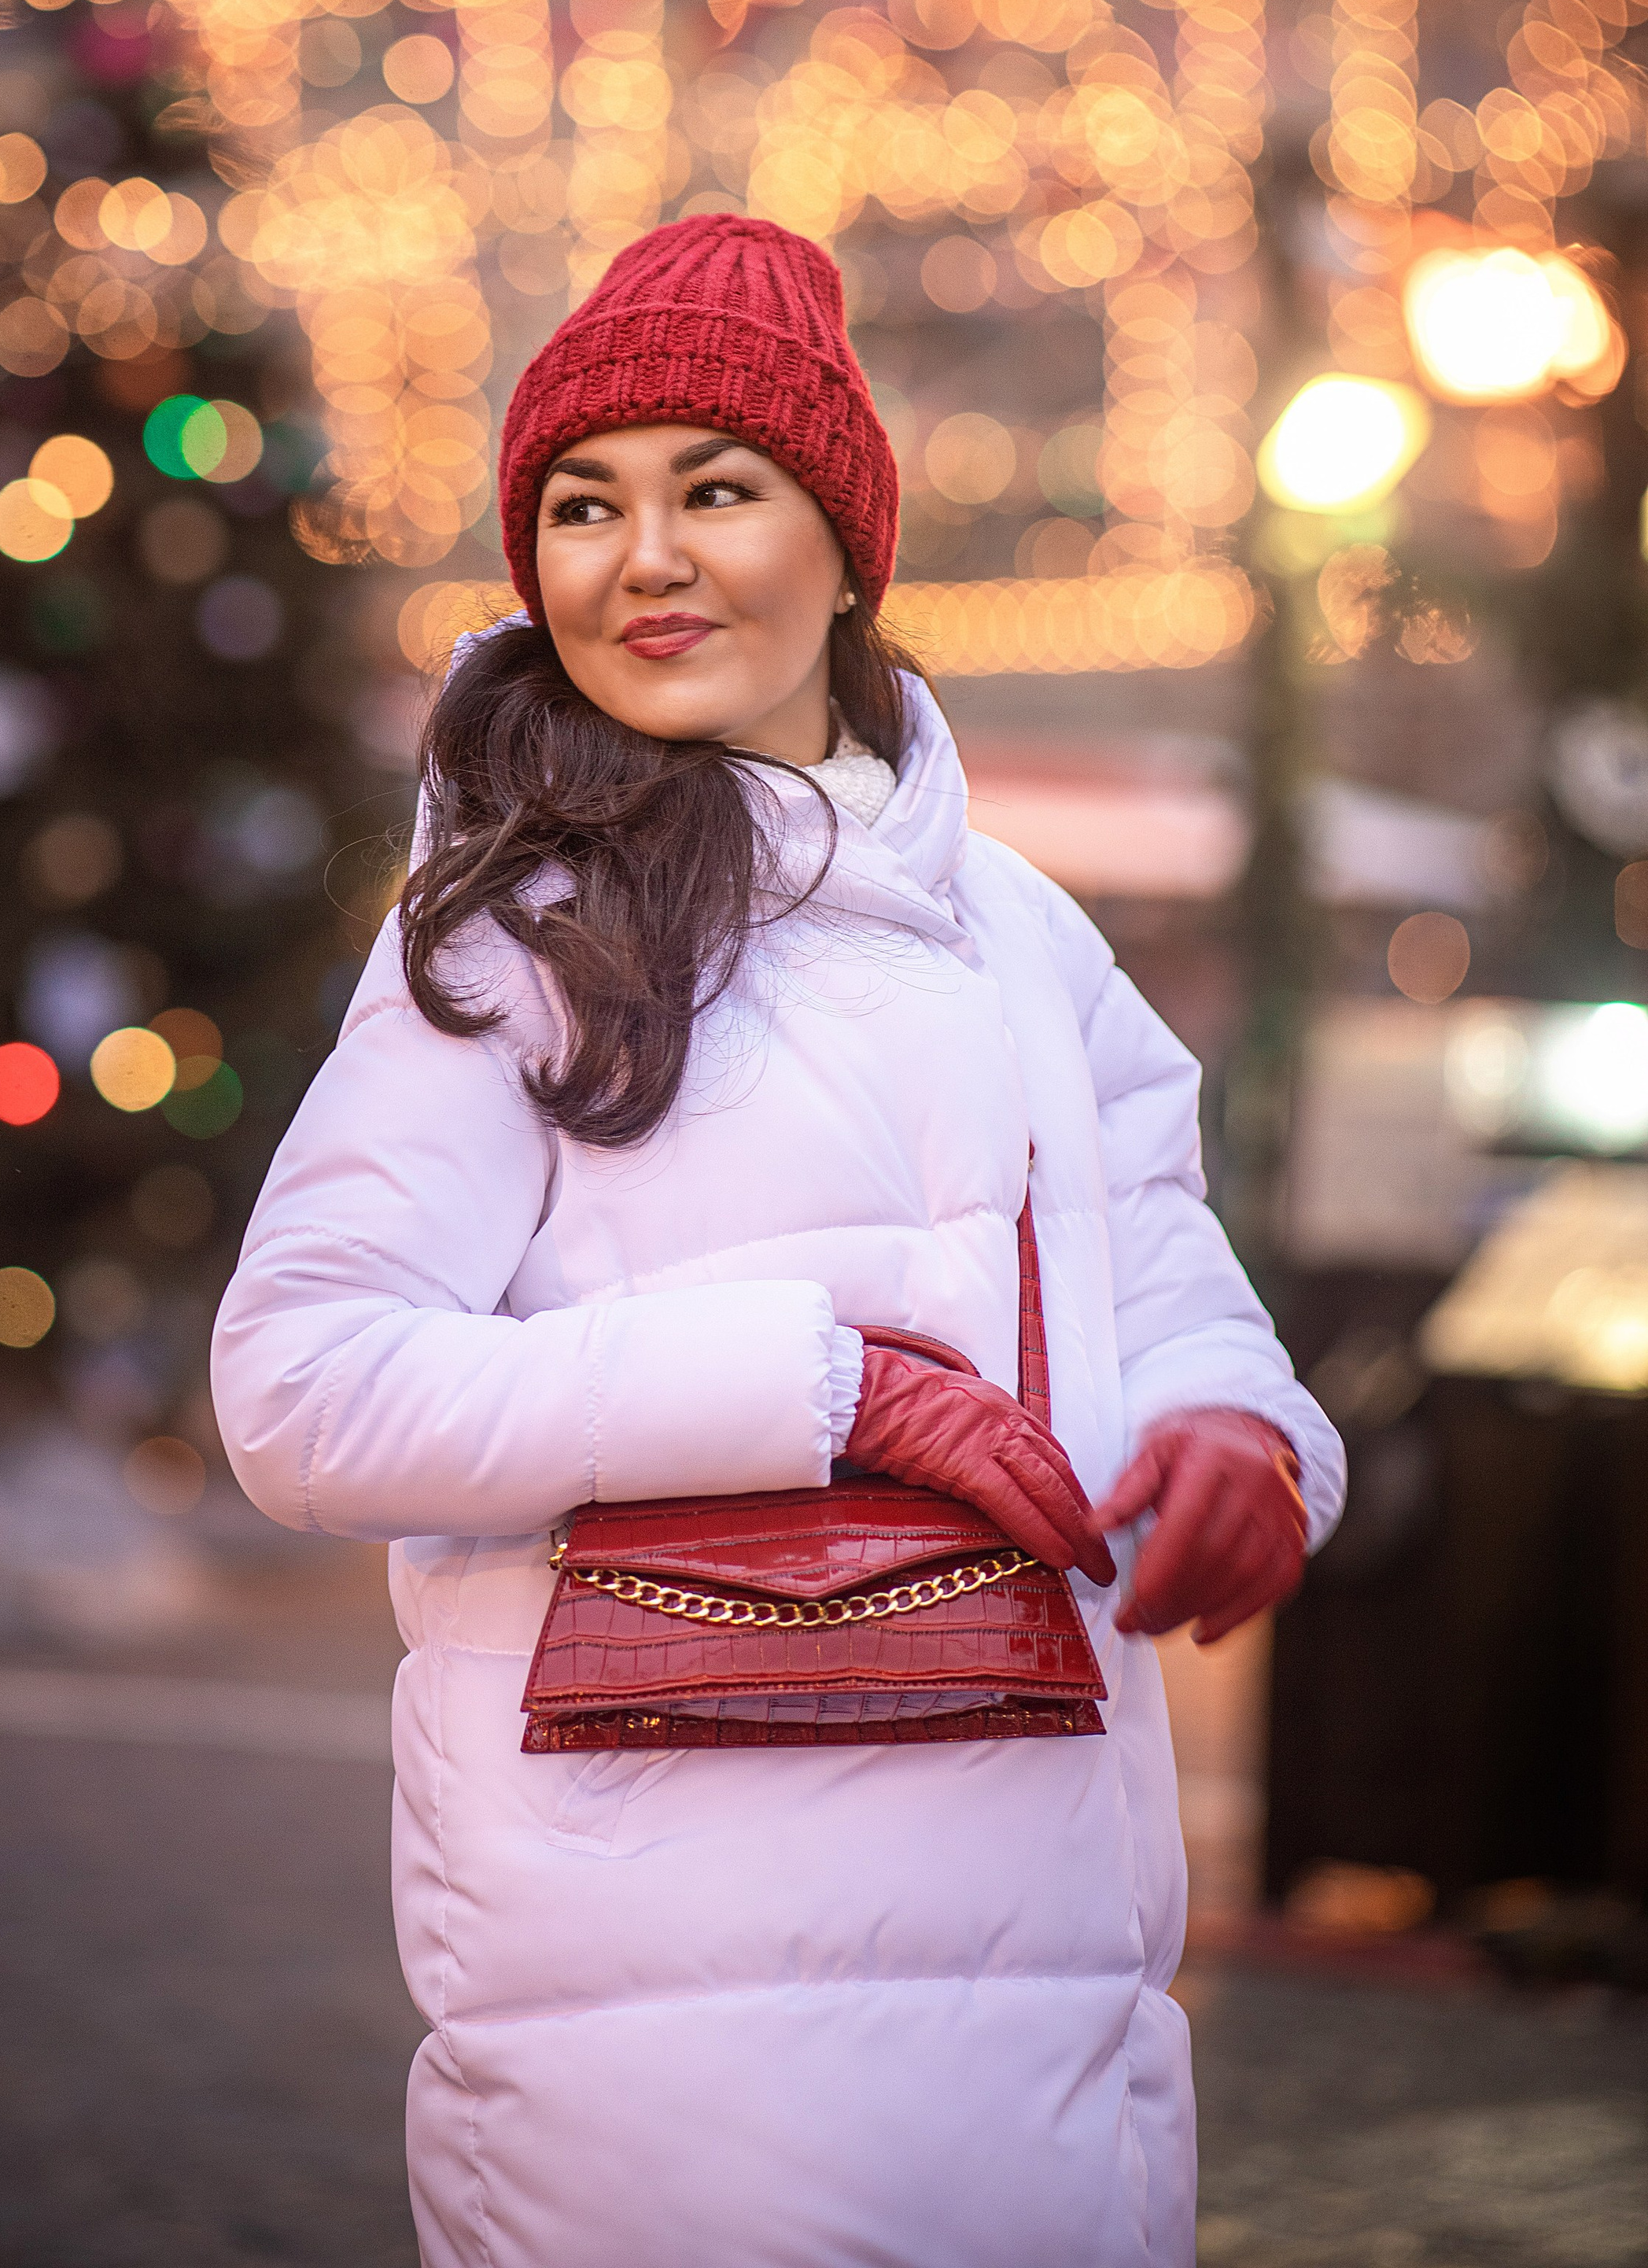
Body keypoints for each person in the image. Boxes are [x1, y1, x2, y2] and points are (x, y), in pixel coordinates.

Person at [212, 213, 1344, 2268]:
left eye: (715, 490)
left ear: (845, 544)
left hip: (1061, 1959)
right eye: (582, 505)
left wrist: (1245, 1446)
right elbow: (301, 1389)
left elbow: (1176, 1290)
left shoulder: (1030, 937)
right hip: (654, 1988)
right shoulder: (511, 941)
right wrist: (823, 1386)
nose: (643, 558)